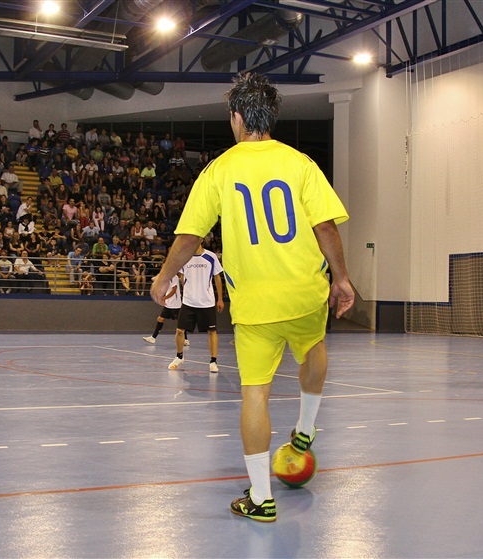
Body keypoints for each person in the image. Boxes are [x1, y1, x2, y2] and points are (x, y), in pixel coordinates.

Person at [150, 73, 354, 523]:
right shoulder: (300, 163)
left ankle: (261, 500)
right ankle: (304, 428)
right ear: (271, 118)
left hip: (256, 305)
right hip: (305, 291)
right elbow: (325, 227)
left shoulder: (219, 169)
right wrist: (341, 278)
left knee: (255, 395)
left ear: (237, 118)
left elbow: (190, 236)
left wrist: (165, 276)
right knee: (314, 348)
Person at [164, 243, 224, 373]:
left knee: (212, 332)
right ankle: (179, 356)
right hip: (188, 301)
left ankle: (213, 361)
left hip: (206, 302)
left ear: (201, 239)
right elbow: (180, 274)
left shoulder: (211, 256)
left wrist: (220, 298)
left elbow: (217, 277)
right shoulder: (185, 257)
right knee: (180, 330)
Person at [142, 274, 188, 346]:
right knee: (160, 319)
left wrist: (164, 298)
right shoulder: (168, 277)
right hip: (168, 304)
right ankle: (153, 338)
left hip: (175, 304)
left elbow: (174, 290)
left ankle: (185, 339)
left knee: (179, 322)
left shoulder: (174, 277)